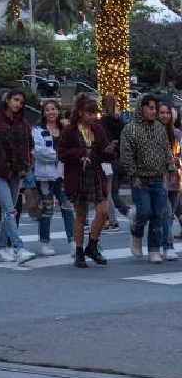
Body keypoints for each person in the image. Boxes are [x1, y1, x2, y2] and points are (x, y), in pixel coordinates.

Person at [58, 94, 116, 267]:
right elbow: (61, 153)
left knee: (103, 211)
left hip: (96, 174)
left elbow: (106, 155)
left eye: (94, 113)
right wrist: (80, 154)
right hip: (78, 175)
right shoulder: (70, 130)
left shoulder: (97, 129)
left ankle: (92, 244)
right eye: (89, 113)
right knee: (81, 215)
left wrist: (109, 150)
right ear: (81, 113)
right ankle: (79, 251)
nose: (93, 116)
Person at [0, 90, 37, 263]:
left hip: (17, 172)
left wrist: (26, 165)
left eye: (21, 101)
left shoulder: (23, 123)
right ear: (8, 100)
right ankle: (18, 247)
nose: (18, 103)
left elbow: (29, 145)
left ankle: (1, 246)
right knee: (10, 210)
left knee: (8, 211)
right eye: (15, 100)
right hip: (0, 172)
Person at [121, 94, 176, 265]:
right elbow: (126, 155)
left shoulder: (159, 128)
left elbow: (166, 150)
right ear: (142, 108)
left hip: (159, 178)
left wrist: (171, 168)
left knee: (158, 216)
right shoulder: (130, 129)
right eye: (151, 108)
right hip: (140, 180)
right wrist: (133, 175)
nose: (154, 111)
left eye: (155, 108)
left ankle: (154, 250)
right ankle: (136, 232)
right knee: (144, 211)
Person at [29, 99, 75, 257]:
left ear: (58, 111)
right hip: (44, 176)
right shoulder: (37, 130)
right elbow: (40, 152)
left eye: (54, 109)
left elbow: (73, 147)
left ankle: (73, 242)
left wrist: (64, 155)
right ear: (43, 112)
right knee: (47, 209)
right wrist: (63, 155)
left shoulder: (65, 129)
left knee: (67, 208)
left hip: (63, 175)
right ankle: (45, 242)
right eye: (47, 110)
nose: (51, 112)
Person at [99, 93, 129, 230]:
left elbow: (104, 141)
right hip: (122, 159)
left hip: (110, 159)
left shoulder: (103, 123)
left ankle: (119, 216)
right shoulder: (121, 122)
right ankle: (116, 217)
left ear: (103, 105)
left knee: (108, 192)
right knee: (114, 191)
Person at [157, 102, 181, 261]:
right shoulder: (153, 131)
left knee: (169, 214)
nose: (164, 115)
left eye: (167, 113)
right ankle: (168, 246)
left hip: (175, 178)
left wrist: (177, 160)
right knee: (166, 214)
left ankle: (161, 241)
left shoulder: (177, 133)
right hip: (159, 177)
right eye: (162, 112)